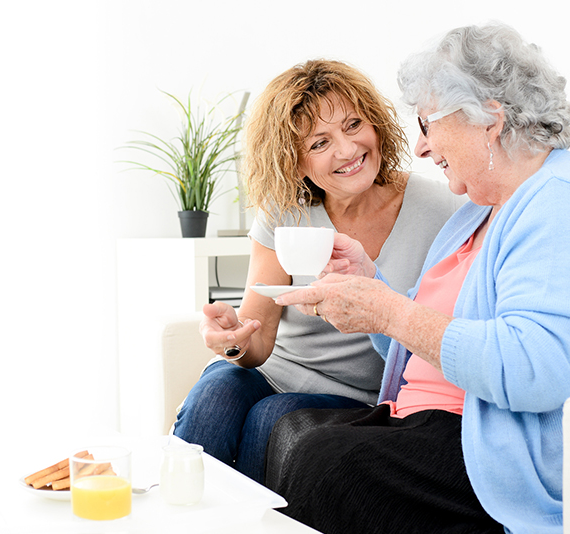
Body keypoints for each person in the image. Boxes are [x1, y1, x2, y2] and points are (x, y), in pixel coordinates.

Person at [271, 22, 570, 534]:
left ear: (488, 120)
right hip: (444, 424)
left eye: (427, 123)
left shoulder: (564, 205)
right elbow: (427, 334)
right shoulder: (477, 211)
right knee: (294, 438)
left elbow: (536, 372)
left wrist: (391, 311)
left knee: (327, 465)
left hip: (514, 454)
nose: (419, 147)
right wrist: (374, 289)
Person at [172, 59, 463, 484]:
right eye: (319, 143)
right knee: (215, 396)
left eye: (353, 124)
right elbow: (257, 344)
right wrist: (232, 341)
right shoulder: (284, 212)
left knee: (271, 418)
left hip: (359, 395)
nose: (346, 150)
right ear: (294, 160)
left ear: (377, 125)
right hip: (273, 371)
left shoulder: (440, 209)